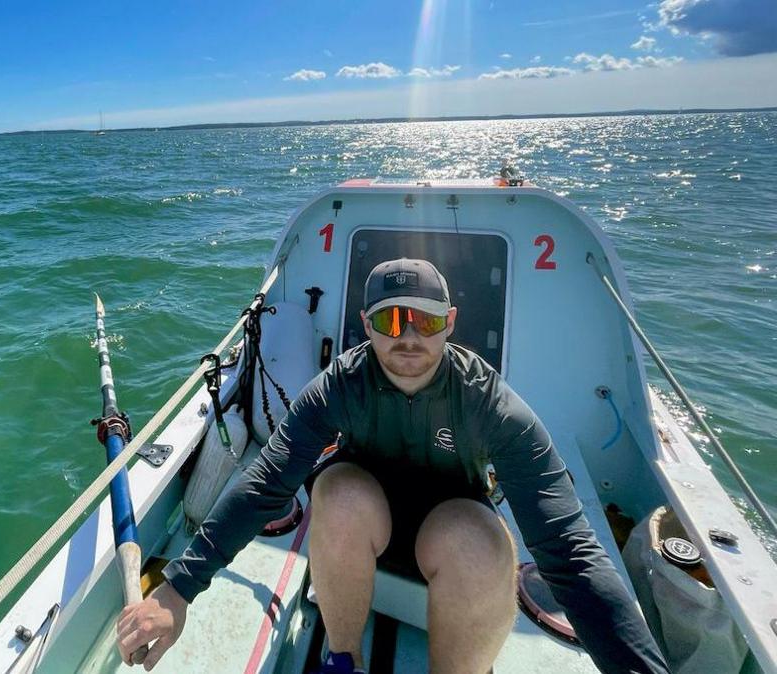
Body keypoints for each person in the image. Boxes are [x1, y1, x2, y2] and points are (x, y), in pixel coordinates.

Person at [116, 258, 669, 674]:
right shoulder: (339, 385)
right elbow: (267, 482)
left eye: (425, 323)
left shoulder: (488, 403)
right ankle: (341, 660)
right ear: (366, 324)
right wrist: (176, 590)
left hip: (452, 527)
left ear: (450, 322)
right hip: (360, 522)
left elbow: (570, 553)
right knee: (337, 494)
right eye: (390, 320)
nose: (407, 337)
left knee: (481, 542)